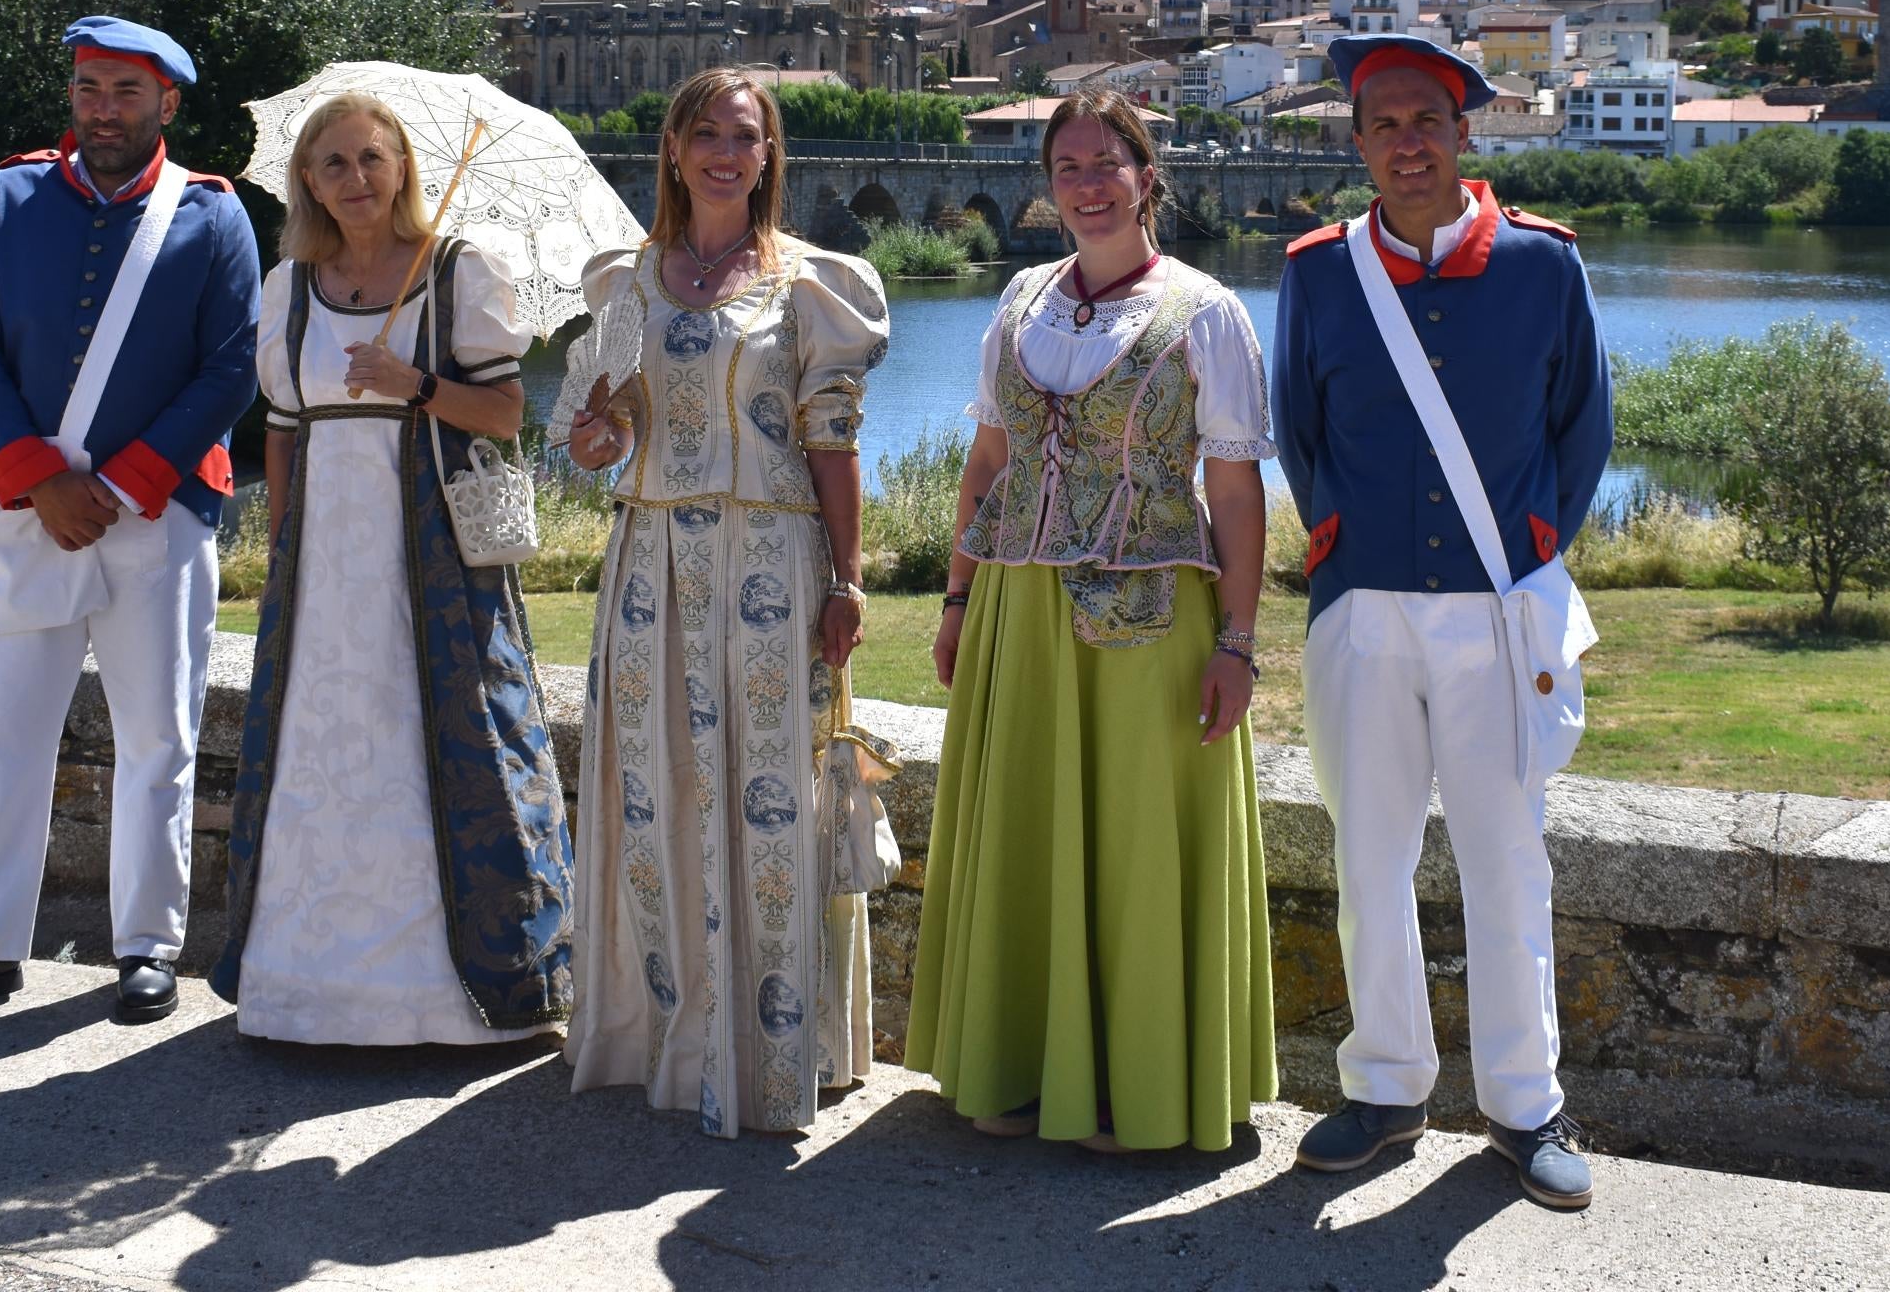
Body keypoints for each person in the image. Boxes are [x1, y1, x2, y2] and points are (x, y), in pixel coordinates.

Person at [1271, 31, 1612, 1209]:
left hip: (1494, 613)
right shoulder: (1318, 271)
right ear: (1359, 143)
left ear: (1466, 132)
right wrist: (1343, 549)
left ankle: (1525, 1104)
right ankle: (1387, 1084)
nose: (1406, 142)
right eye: (1383, 125)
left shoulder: (1543, 265)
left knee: (1507, 858)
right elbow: (1299, 434)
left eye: (1427, 120)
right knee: (1370, 852)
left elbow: (1583, 432)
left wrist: (1527, 553)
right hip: (1362, 606)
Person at [907, 89, 1277, 1154]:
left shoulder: (1206, 309)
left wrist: (1240, 642)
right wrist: (957, 593)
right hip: (1019, 609)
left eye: (1107, 161)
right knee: (1028, 824)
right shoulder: (1022, 296)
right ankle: (1021, 1064)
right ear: (1050, 183)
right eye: (1068, 164)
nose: (1087, 181)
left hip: (1155, 618)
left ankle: (1135, 1084)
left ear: (1146, 175)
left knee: (1134, 843)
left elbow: (1239, 488)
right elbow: (989, 464)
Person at [0, 16, 260, 1027]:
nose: (103, 107)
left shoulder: (214, 216)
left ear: (166, 104)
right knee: (8, 735)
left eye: (125, 92)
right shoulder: (9, 195)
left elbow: (231, 365)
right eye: (90, 87)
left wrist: (131, 479)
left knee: (159, 739)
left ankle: (146, 944)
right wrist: (39, 475)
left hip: (161, 515)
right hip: (25, 511)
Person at [560, 66, 890, 1138]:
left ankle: (776, 1052)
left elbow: (830, 444)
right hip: (649, 563)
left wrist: (846, 578)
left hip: (772, 569)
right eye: (705, 130)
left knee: (770, 795)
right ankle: (673, 1035)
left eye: (743, 135)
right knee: (659, 791)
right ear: (673, 145)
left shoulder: (807, 287)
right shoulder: (624, 286)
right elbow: (598, 434)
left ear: (767, 155)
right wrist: (597, 434)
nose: (723, 151)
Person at [208, 92, 575, 1042]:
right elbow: (281, 437)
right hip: (327, 566)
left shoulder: (458, 274)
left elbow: (504, 416)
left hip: (436, 557)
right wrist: (283, 552)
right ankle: (306, 989)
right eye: (332, 165)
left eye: (371, 159)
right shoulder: (290, 287)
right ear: (308, 182)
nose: (355, 180)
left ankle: (456, 1001)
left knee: (446, 733)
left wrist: (413, 383)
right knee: (322, 745)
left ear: (402, 166)